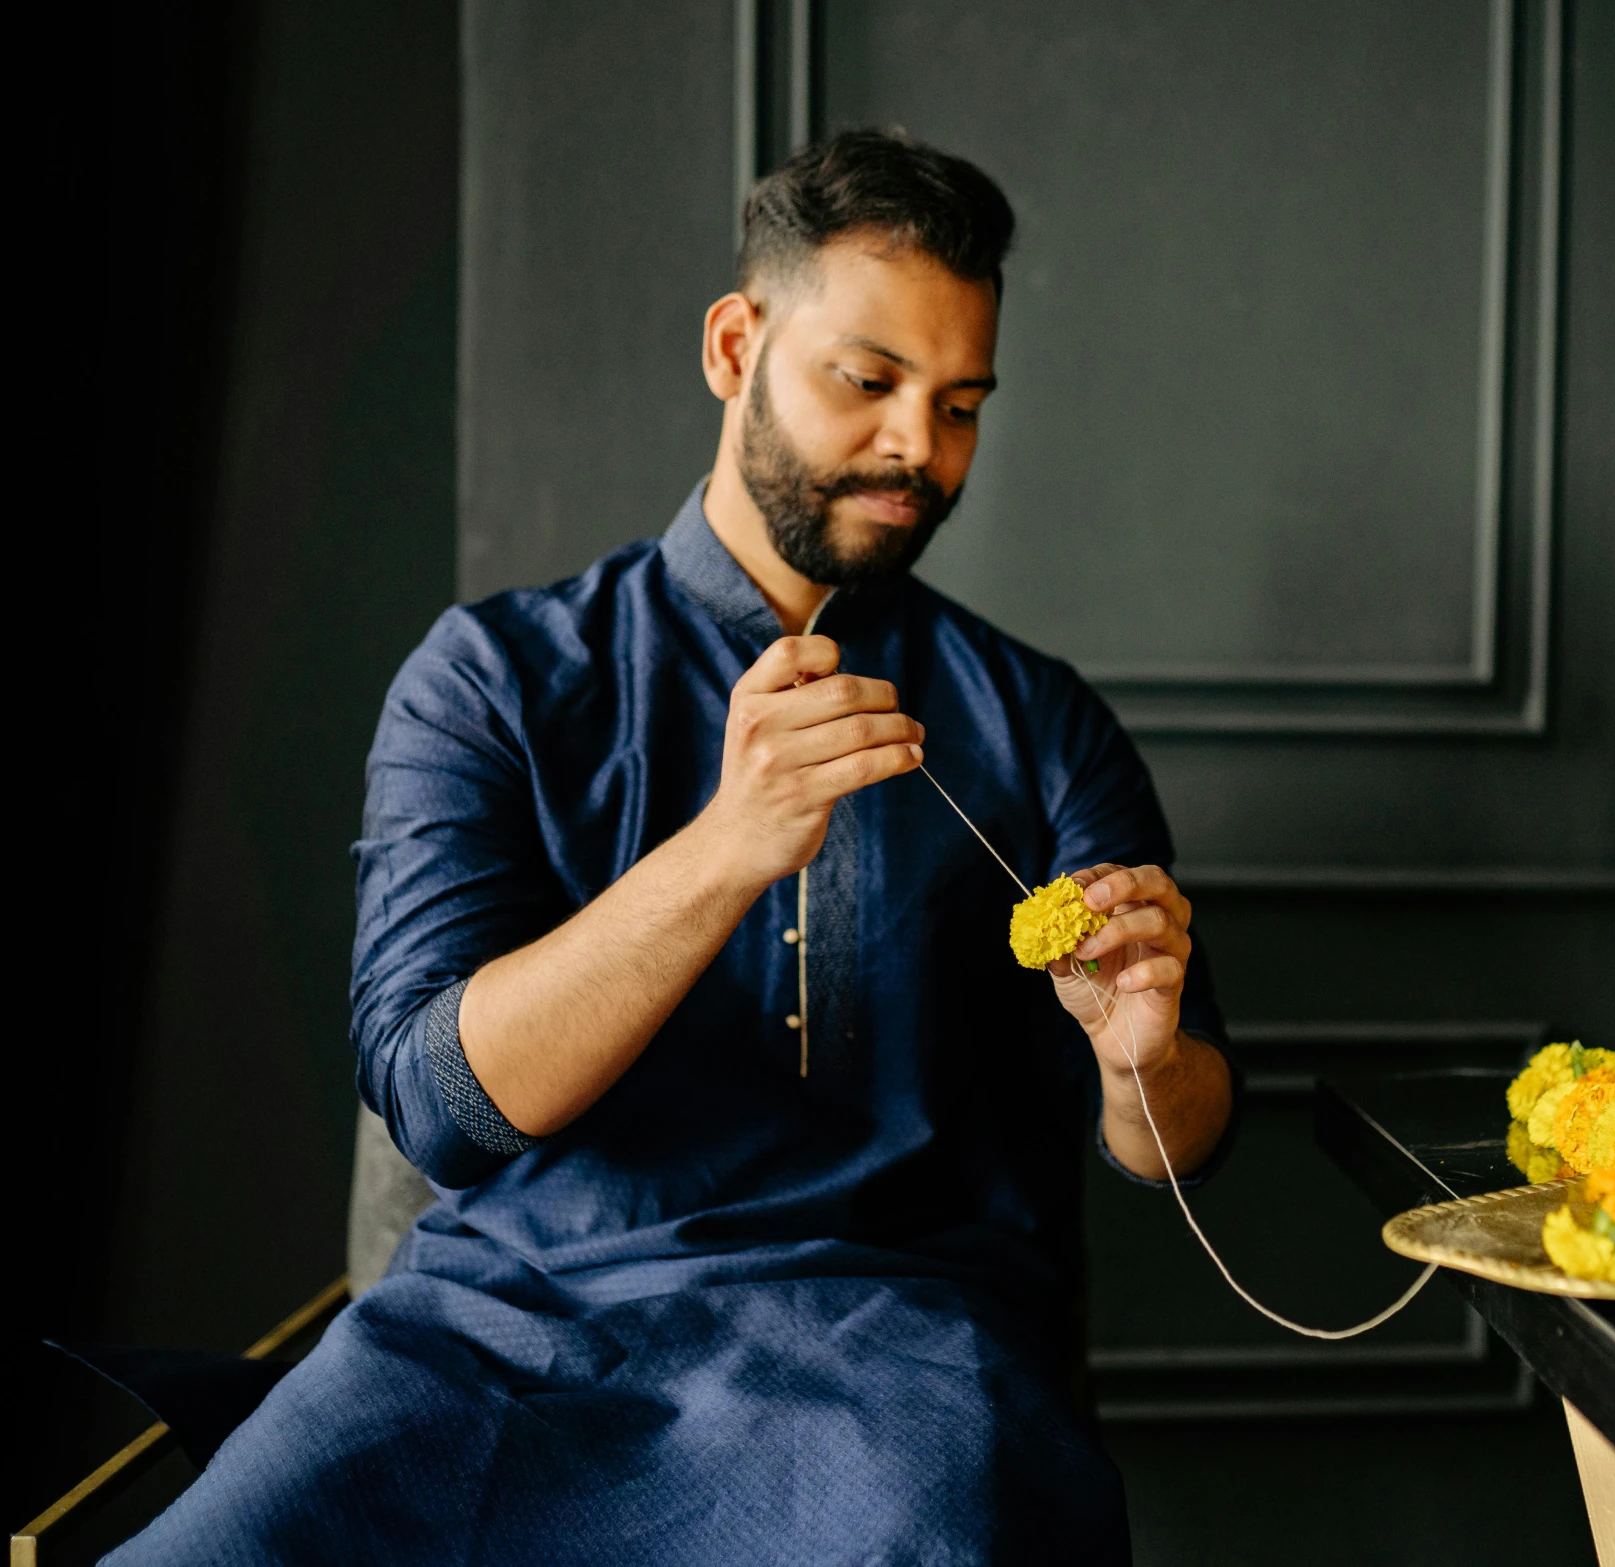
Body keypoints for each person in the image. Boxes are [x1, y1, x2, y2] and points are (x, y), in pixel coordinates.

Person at [114, 129, 1235, 1565]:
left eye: (960, 403)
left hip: (887, 1359)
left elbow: (1181, 1144)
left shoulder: (1038, 722)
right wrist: (725, 846)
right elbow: (441, 1108)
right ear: (734, 345)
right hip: (494, 1342)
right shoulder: (490, 677)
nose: (919, 446)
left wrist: (1141, 1047)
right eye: (868, 380)